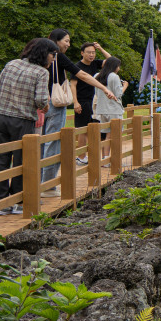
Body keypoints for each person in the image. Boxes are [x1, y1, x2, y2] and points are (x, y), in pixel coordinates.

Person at [41, 29, 118, 198]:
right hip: (56, 103)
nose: (68, 44)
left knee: (40, 142)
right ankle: (47, 186)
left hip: (39, 103)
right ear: (56, 40)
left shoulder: (36, 55)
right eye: (66, 41)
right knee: (53, 142)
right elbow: (80, 76)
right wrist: (104, 88)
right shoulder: (57, 56)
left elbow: (111, 61)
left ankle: (40, 183)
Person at [0, 38, 57, 214]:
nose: (54, 59)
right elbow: (41, 100)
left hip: (0, 118)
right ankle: (19, 200)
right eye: (53, 55)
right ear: (45, 54)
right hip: (22, 120)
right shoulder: (41, 72)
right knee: (22, 161)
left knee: (0, 160)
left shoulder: (11, 64)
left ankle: (3, 204)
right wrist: (46, 106)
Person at [71, 41, 112, 165]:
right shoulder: (77, 66)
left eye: (93, 53)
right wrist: (75, 102)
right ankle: (81, 157)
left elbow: (111, 61)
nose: (91, 55)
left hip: (94, 101)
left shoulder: (95, 63)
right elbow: (72, 84)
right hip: (82, 101)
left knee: (95, 128)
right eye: (88, 52)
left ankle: (97, 157)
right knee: (82, 129)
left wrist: (100, 48)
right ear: (82, 53)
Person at [92, 57, 126, 164]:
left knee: (107, 135)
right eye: (118, 66)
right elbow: (118, 94)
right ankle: (115, 160)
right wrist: (125, 86)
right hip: (114, 109)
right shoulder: (114, 77)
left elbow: (97, 94)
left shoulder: (97, 76)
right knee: (115, 135)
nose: (119, 68)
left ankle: (105, 159)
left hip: (102, 109)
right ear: (114, 66)